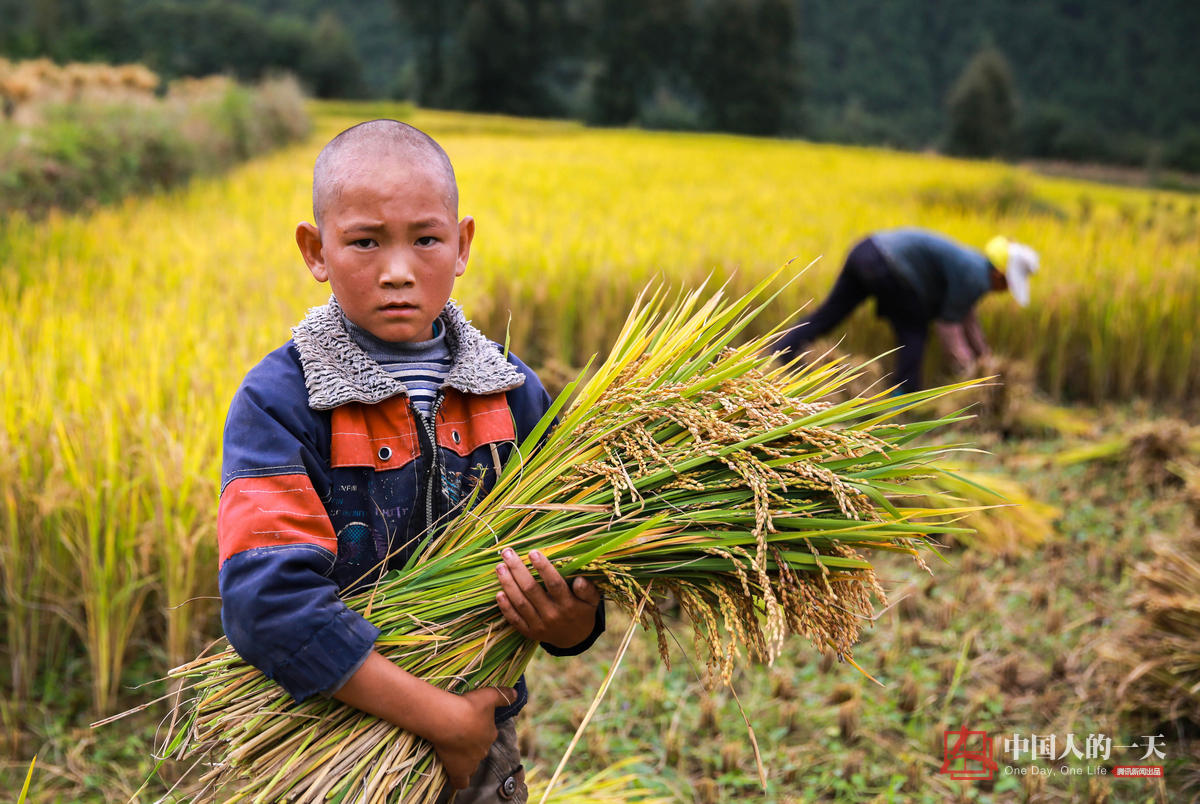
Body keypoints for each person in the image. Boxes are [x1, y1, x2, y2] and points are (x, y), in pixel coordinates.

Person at [217, 119, 604, 804]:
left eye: (425, 240)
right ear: (315, 249)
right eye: (365, 241)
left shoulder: (514, 395)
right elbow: (265, 603)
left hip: (483, 732)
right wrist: (439, 720)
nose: (397, 271)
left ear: (461, 246)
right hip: (329, 736)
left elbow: (572, 559)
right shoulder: (281, 400)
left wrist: (572, 623)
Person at [775, 227, 1039, 393]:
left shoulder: (974, 265)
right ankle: (904, 397)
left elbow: (968, 320)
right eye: (1007, 284)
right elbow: (949, 327)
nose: (1004, 290)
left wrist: (986, 361)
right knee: (914, 331)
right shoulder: (976, 277)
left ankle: (781, 352)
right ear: (1000, 274)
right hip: (888, 265)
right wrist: (971, 372)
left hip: (865, 251)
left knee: (829, 315)